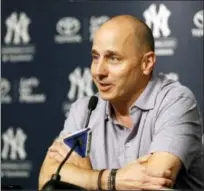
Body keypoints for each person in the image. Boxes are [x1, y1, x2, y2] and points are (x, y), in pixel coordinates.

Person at [39, 15, 203, 190]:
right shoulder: (84, 110)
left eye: (113, 59)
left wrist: (84, 175)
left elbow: (152, 184)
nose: (99, 71)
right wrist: (108, 179)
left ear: (147, 63)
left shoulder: (175, 101)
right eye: (95, 57)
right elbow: (47, 180)